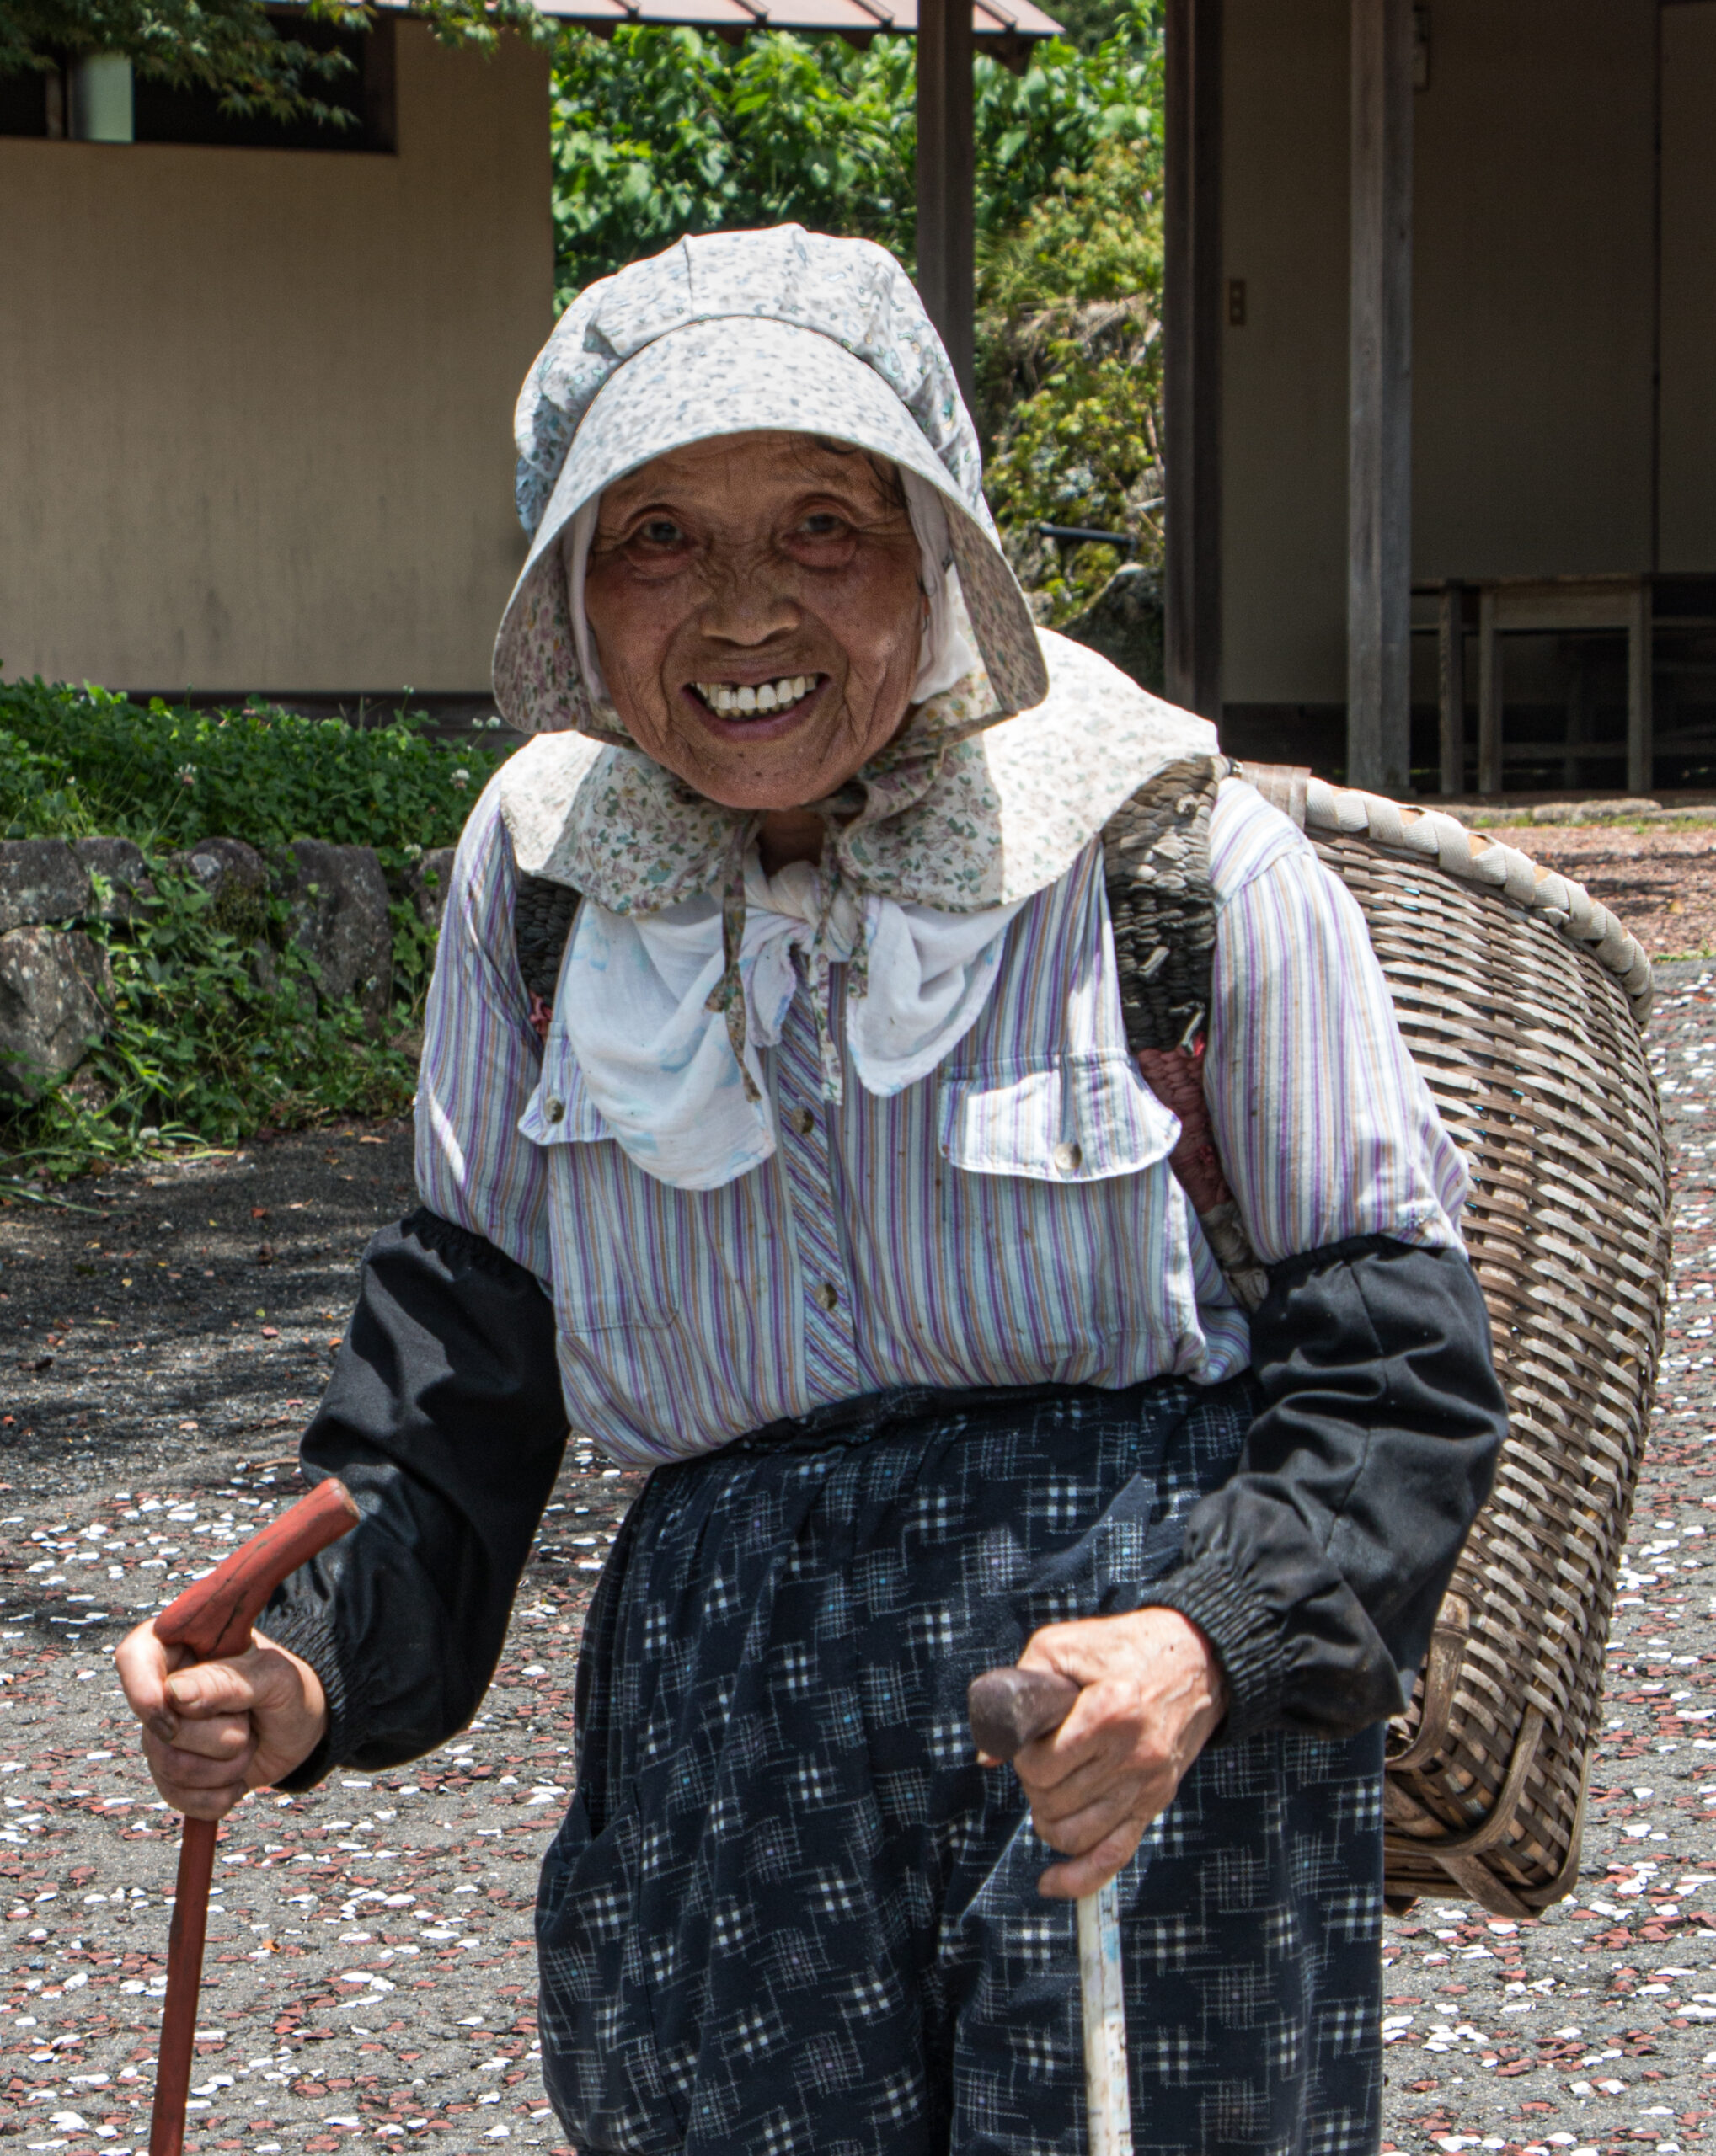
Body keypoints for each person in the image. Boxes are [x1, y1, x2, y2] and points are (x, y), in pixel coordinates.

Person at [118, 226, 1507, 2155]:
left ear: (934, 552)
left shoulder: (1171, 856)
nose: (742, 610)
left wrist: (1199, 1644)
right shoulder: (533, 887)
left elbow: (1397, 1378)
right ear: (576, 595)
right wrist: (307, 1660)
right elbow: (454, 1388)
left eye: (825, 527)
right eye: (656, 537)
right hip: (723, 1731)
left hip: (1120, 1728)